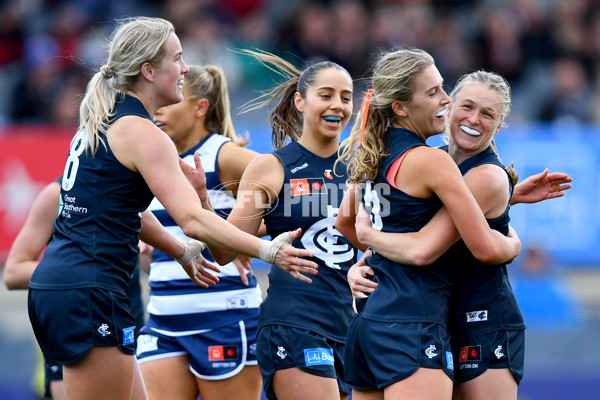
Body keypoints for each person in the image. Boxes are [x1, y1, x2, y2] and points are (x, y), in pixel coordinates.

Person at [26, 17, 316, 400]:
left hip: (68, 285)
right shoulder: (143, 133)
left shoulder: (102, 120)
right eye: (177, 59)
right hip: (90, 289)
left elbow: (123, 209)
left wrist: (180, 251)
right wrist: (268, 250)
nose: (184, 69)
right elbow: (193, 220)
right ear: (148, 70)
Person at [345, 70, 573, 400]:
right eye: (467, 106)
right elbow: (410, 229)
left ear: (499, 125)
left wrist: (511, 240)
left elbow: (432, 244)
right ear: (449, 107)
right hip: (438, 318)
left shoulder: (482, 175)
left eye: (488, 114)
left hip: (483, 323)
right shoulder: (435, 162)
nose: (474, 119)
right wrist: (363, 263)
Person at [191, 49, 358, 400]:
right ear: (300, 101)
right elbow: (223, 250)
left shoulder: (362, 169)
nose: (337, 106)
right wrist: (203, 202)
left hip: (353, 328)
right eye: (325, 96)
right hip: (295, 324)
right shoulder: (271, 168)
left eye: (345, 98)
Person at [136, 64, 263, 400]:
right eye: (157, 102)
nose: (158, 111)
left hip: (225, 319)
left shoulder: (224, 156)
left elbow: (285, 205)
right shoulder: (153, 158)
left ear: (200, 107)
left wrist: (237, 238)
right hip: (163, 319)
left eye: (170, 102)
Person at [3, 178, 150, 400]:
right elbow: (13, 272)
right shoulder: (57, 195)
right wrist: (76, 271)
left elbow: (157, 263)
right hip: (80, 329)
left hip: (130, 332)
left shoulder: (130, 193)